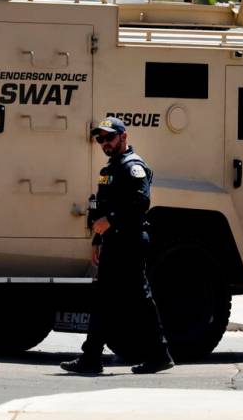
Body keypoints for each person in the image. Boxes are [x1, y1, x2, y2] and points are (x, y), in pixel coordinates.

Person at [60, 117, 173, 375]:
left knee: (134, 298)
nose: (104, 143)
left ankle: (152, 354)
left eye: (109, 137)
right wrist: (98, 239)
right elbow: (104, 208)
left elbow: (141, 202)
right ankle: (152, 354)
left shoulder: (133, 167)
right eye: (100, 139)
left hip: (130, 241)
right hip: (116, 241)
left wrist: (110, 221)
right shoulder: (110, 169)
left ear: (124, 137)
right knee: (110, 298)